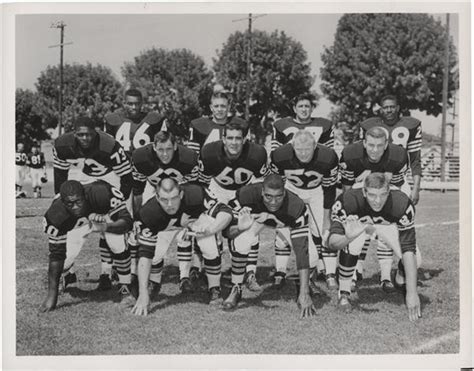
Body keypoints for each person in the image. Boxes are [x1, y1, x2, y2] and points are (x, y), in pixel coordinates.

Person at [131, 178, 233, 316]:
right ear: (156, 196)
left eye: (174, 198)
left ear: (181, 195)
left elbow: (225, 212)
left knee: (210, 246)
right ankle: (153, 284)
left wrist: (211, 230)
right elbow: (144, 256)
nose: (169, 204)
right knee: (155, 253)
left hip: (195, 220)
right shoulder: (149, 213)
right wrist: (142, 294)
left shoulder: (195, 194)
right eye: (164, 199)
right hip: (165, 226)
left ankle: (214, 288)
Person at [328, 173, 421, 322]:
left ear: (389, 192)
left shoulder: (401, 203)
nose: (377, 201)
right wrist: (348, 237)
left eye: (383, 195)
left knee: (417, 261)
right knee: (352, 243)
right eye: (372, 195)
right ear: (364, 192)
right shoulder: (348, 201)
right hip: (360, 224)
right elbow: (332, 243)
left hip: (388, 225)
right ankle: (344, 292)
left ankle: (400, 277)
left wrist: (412, 292)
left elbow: (408, 248)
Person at [53, 116, 133, 290]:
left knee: (115, 240)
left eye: (88, 135)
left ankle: (116, 278)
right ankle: (67, 275)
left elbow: (127, 179)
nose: (85, 139)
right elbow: (60, 178)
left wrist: (116, 207)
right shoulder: (62, 145)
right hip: (80, 190)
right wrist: (63, 204)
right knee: (70, 245)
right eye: (80, 135)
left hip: (108, 188)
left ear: (95, 132)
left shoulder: (109, 146)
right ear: (74, 134)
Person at [224, 174, 316, 318]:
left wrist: (305, 293)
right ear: (261, 191)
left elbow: (301, 250)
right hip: (257, 221)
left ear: (284, 192)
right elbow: (227, 233)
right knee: (240, 242)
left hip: (286, 223)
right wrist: (241, 227)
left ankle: (303, 289)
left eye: (278, 197)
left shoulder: (296, 206)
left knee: (313, 256)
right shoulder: (245, 195)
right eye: (268, 196)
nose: (273, 202)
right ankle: (236, 287)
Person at [39, 180, 134, 312]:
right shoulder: (56, 215)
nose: (75, 207)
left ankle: (125, 289)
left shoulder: (103, 194)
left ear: (85, 196)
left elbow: (127, 223)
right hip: (77, 222)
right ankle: (67, 275)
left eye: (78, 201)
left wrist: (105, 227)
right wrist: (51, 296)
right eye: (70, 204)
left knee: (118, 245)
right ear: (63, 202)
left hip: (104, 213)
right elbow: (56, 255)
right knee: (66, 259)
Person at [199, 121, 269, 290]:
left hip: (244, 190)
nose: (234, 142)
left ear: (245, 139)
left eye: (238, 138)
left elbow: (260, 183)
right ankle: (209, 270)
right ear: (223, 138)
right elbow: (201, 182)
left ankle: (250, 272)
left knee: (247, 229)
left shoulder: (257, 153)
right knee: (212, 229)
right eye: (230, 138)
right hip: (217, 189)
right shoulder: (209, 152)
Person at [339, 126, 409, 291]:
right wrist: (350, 212)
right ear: (364, 143)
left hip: (388, 190)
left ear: (386, 145)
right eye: (371, 145)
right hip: (360, 189)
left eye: (379, 146)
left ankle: (386, 276)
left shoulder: (398, 155)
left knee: (388, 231)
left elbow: (396, 191)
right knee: (357, 231)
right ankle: (353, 273)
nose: (375, 150)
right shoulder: (351, 154)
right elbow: (347, 189)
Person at [271, 129, 339, 290]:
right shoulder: (280, 155)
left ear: (315, 146)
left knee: (324, 232)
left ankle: (329, 273)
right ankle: (280, 272)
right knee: (283, 232)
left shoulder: (328, 156)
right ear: (292, 146)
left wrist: (327, 218)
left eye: (307, 149)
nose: (303, 154)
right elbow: (276, 184)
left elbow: (330, 189)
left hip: (317, 192)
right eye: (299, 149)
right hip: (291, 191)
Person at [130, 131, 199, 285]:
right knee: (149, 232)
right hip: (153, 190)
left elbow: (194, 190)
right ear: (154, 147)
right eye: (160, 149)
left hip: (182, 194)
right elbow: (137, 191)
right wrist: (136, 217)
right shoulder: (141, 158)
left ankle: (184, 276)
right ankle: (144, 274)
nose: (165, 154)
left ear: (175, 146)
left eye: (168, 149)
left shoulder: (188, 158)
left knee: (184, 233)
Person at [359, 95, 422, 205]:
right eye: (385, 107)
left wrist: (416, 188)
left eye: (392, 107)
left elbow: (415, 160)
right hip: (373, 179)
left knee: (401, 214)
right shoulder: (368, 125)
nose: (389, 110)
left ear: (398, 108)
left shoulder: (411, 125)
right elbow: (361, 155)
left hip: (399, 180)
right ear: (381, 109)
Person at [104, 88, 168, 155]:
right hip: (121, 164)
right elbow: (106, 148)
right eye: (130, 104)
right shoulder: (113, 119)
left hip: (145, 163)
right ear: (124, 103)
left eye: (137, 104)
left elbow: (164, 145)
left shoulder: (154, 119)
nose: (134, 107)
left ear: (141, 103)